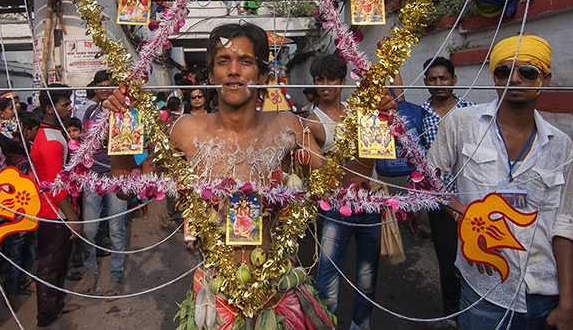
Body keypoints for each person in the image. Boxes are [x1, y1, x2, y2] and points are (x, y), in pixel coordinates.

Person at [105, 23, 339, 329]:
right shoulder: (185, 132)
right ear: (211, 75)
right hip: (216, 295)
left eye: (245, 61)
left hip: (280, 289)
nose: (233, 71)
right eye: (223, 61)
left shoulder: (289, 127)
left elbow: (333, 186)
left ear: (263, 75)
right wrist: (122, 126)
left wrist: (375, 121)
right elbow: (126, 188)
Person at [428, 35, 573, 330]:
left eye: (527, 72)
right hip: (484, 287)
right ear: (494, 77)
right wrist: (461, 212)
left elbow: (564, 222)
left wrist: (569, 302)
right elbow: (428, 180)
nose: (514, 79)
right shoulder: (462, 123)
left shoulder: (560, 144)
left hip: (543, 291)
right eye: (503, 71)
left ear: (545, 78)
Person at [308, 54, 377, 330]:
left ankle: (361, 325)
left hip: (370, 203)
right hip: (336, 207)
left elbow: (373, 156)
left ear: (342, 81)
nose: (325, 85)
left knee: (368, 276)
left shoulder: (359, 113)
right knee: (328, 278)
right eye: (319, 79)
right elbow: (317, 171)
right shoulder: (312, 122)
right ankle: (327, 325)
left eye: (331, 79)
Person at [419, 57, 475, 319]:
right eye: (433, 79)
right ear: (425, 82)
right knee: (448, 257)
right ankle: (454, 313)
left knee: (477, 252)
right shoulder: (419, 116)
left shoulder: (473, 112)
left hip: (473, 196)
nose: (439, 83)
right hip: (439, 199)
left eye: (444, 78)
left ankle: (479, 305)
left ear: (454, 80)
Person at [31, 85, 82, 327]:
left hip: (57, 209)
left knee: (59, 262)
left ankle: (57, 304)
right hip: (53, 212)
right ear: (50, 108)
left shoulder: (52, 132)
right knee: (51, 265)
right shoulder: (51, 140)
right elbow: (55, 185)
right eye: (65, 104)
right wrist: (72, 218)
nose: (70, 108)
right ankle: (47, 313)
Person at [77, 71, 128, 298]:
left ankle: (116, 276)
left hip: (117, 176)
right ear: (95, 88)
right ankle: (90, 271)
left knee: (116, 229)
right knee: (89, 228)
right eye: (101, 85)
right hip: (92, 176)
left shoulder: (125, 112)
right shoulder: (90, 111)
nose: (106, 89)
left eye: (110, 85)